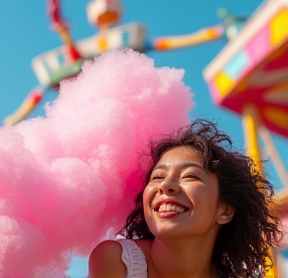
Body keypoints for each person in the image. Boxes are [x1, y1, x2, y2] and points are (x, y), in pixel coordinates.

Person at [88, 119, 283, 278]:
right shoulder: (117, 260)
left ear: (225, 210)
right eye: (157, 177)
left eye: (190, 176)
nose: (166, 185)